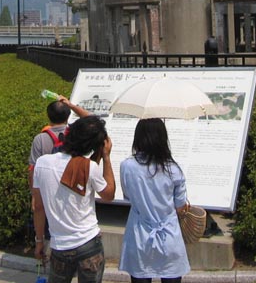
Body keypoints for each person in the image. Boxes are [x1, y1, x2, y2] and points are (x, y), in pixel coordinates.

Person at [32, 115, 115, 283]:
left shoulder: (41, 163)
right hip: (88, 243)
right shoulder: (89, 167)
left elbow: (38, 207)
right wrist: (106, 157)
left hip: (59, 245)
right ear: (92, 145)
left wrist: (39, 240)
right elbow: (108, 195)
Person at [118, 118, 190, 283]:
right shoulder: (173, 169)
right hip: (169, 234)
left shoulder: (127, 166)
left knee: (140, 276)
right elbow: (180, 207)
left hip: (139, 235)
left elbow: (128, 195)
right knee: (171, 275)